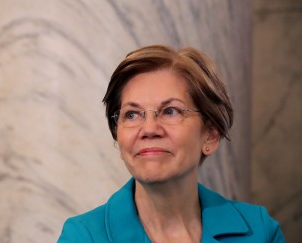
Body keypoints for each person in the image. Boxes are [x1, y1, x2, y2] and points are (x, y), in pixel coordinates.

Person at [58, 45, 285, 242]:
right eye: (132, 114)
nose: (148, 129)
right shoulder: (83, 236)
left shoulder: (260, 231)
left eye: (170, 111)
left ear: (210, 135)